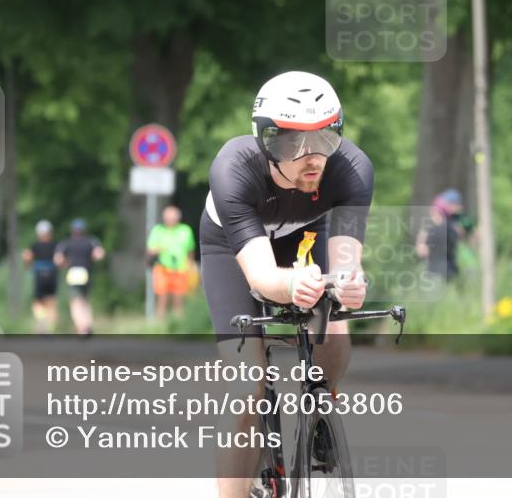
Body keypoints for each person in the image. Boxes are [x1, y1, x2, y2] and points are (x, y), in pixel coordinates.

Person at [199, 71, 370, 498]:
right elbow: (261, 277)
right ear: (267, 140)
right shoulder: (233, 168)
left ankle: (320, 405)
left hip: (304, 236)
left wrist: (350, 285)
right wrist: (292, 284)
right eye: (294, 143)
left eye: (326, 140)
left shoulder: (352, 169)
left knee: (334, 322)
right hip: (234, 248)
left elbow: (348, 264)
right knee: (246, 392)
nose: (312, 157)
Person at [54, 218, 105, 336]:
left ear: (73, 231)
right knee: (85, 299)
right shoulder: (91, 241)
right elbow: (100, 254)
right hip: (86, 272)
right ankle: (88, 324)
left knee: (75, 302)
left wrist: (64, 264)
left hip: (73, 272)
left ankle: (82, 327)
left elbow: (58, 259)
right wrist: (93, 259)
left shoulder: (66, 243)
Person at [146, 205, 198, 318]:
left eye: (172, 217)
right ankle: (160, 323)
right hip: (162, 268)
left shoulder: (185, 230)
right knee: (162, 297)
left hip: (181, 269)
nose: (169, 220)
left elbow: (191, 250)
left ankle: (177, 324)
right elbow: (150, 250)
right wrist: (159, 249)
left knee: (178, 298)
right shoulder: (158, 230)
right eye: (167, 217)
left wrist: (190, 265)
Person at [416, 188, 464, 284]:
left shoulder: (432, 230)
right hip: (449, 272)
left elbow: (422, 252)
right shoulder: (453, 227)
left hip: (436, 274)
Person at [21, 220, 58, 333]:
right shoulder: (55, 245)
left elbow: (26, 256)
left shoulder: (34, 246)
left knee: (38, 302)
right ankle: (50, 327)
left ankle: (42, 322)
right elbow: (59, 259)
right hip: (52, 274)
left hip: (39, 274)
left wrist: (28, 266)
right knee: (51, 301)